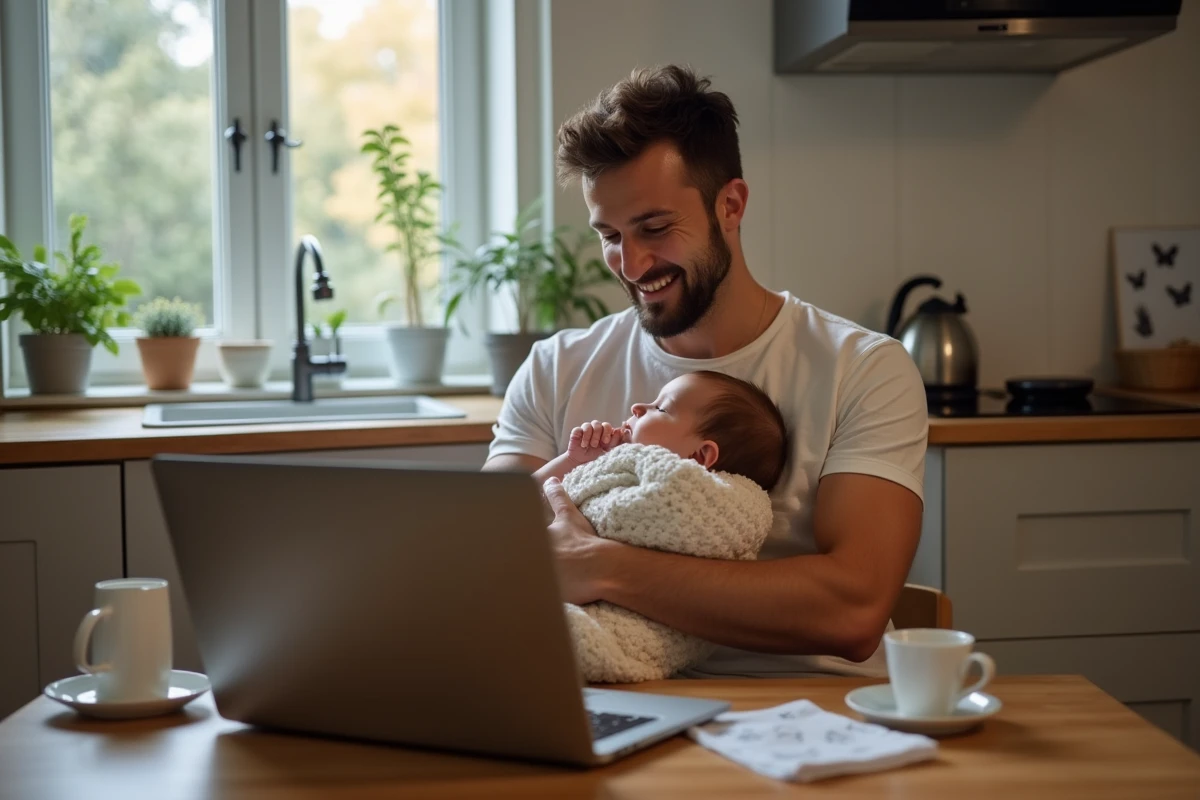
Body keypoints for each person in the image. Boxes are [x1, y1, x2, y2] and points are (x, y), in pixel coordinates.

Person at [485, 64, 927, 678]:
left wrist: (599, 566)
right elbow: (488, 551)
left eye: (655, 228)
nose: (631, 264)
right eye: (609, 235)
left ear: (731, 205)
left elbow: (852, 611)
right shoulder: (555, 368)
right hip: (616, 697)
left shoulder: (864, 370)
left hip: (810, 707)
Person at [532, 370, 789, 492]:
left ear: (699, 456)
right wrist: (573, 461)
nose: (637, 407)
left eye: (661, 408)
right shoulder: (606, 469)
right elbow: (524, 504)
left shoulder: (686, 513)